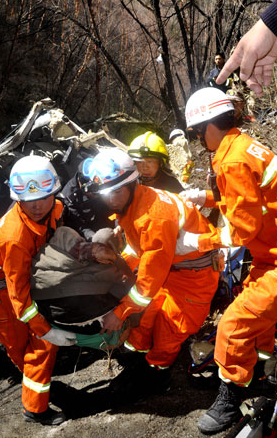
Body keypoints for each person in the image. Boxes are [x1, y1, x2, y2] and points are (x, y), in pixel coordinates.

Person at [180, 87, 277, 434]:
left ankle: (232, 393)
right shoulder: (241, 146)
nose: (198, 140)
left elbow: (241, 229)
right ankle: (263, 374)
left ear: (205, 127)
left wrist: (198, 241)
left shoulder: (232, 159)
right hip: (273, 253)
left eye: (196, 133)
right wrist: (209, 195)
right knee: (257, 323)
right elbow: (250, 200)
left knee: (232, 325)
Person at [82, 148, 222, 397]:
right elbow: (140, 250)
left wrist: (120, 311)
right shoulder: (133, 205)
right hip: (171, 270)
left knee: (170, 328)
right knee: (145, 319)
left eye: (116, 192)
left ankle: (158, 372)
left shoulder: (153, 216)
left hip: (193, 280)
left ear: (131, 183)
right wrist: (115, 266)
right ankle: (137, 354)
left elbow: (148, 281)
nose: (111, 200)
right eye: (106, 194)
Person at [0, 155, 77, 426]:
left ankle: (36, 393)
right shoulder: (14, 238)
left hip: (24, 280)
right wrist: (45, 328)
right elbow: (19, 298)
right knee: (27, 349)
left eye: (44, 197)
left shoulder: (54, 209)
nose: (37, 205)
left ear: (53, 192)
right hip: (3, 294)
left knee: (39, 350)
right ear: (18, 198)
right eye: (30, 200)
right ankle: (35, 409)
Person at [216, 0, 277, 97]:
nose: (218, 61)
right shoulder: (214, 72)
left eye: (219, 58)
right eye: (216, 59)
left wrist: (273, 22)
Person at [61, 160, 115, 241]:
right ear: (82, 186)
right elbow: (80, 226)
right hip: (88, 227)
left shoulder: (100, 177)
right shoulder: (69, 198)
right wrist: (94, 239)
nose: (96, 195)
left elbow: (113, 203)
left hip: (103, 214)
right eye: (93, 193)